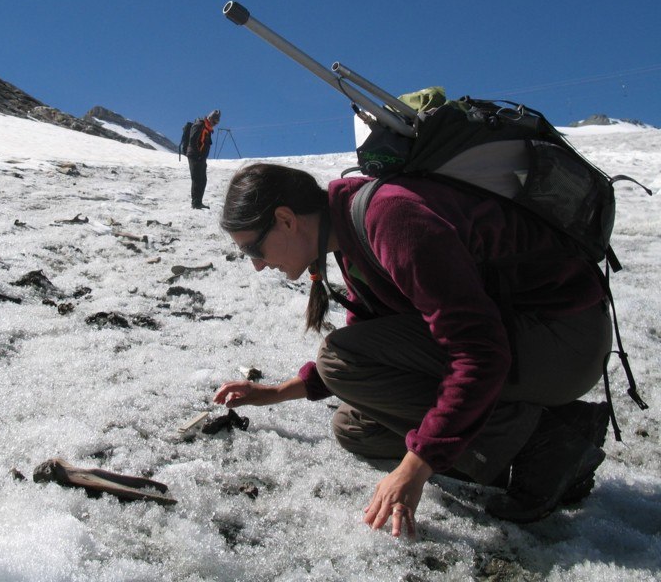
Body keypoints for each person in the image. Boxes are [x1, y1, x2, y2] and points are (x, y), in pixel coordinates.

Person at [213, 162, 611, 538]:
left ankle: (545, 444)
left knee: (340, 361)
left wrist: (418, 465)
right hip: (525, 341)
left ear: (286, 219)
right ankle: (554, 428)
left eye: (253, 250)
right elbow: (377, 336)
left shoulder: (393, 219)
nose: (258, 266)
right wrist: (278, 393)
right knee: (356, 429)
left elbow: (479, 352)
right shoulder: (350, 234)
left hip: (564, 339)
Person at [186, 109, 221, 209]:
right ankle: (195, 203)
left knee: (203, 180)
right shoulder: (200, 125)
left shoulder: (208, 128)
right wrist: (198, 155)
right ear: (210, 118)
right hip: (195, 156)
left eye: (217, 122)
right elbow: (193, 140)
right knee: (197, 179)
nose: (215, 124)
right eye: (214, 121)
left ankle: (199, 202)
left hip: (201, 157)